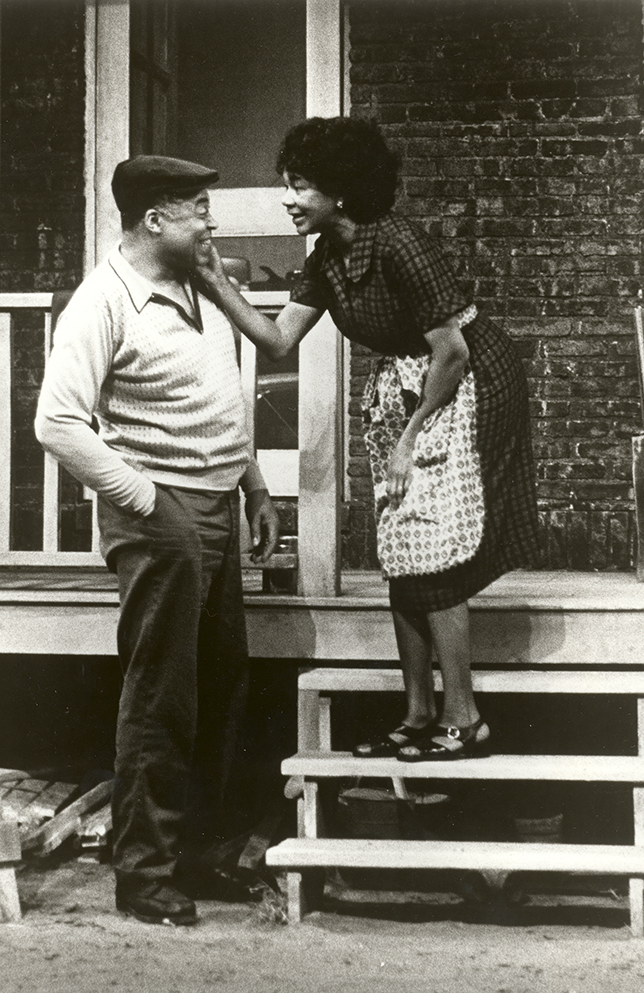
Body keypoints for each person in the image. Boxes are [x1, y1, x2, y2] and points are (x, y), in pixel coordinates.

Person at [196, 117, 541, 763]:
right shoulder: (327, 255)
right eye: (287, 185)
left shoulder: (399, 244)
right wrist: (216, 281)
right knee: (402, 547)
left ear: (341, 190)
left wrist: (411, 438)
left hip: (467, 382)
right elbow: (277, 340)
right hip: (413, 387)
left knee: (432, 547)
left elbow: (453, 350)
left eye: (299, 186)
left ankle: (463, 717)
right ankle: (417, 713)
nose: (288, 199)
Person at [35, 154, 279, 926]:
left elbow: (217, 400)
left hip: (214, 502)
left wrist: (254, 485)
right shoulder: (103, 301)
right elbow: (57, 422)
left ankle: (198, 858)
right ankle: (143, 875)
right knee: (163, 696)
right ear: (153, 220)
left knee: (219, 685)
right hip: (159, 510)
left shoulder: (194, 284)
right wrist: (145, 497)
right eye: (198, 208)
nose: (211, 221)